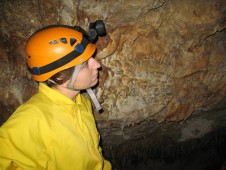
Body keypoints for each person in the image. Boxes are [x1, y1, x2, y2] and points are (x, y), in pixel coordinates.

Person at [0, 23, 112, 169]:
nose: (96, 65)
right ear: (60, 77)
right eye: (84, 64)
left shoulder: (81, 102)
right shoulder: (30, 120)